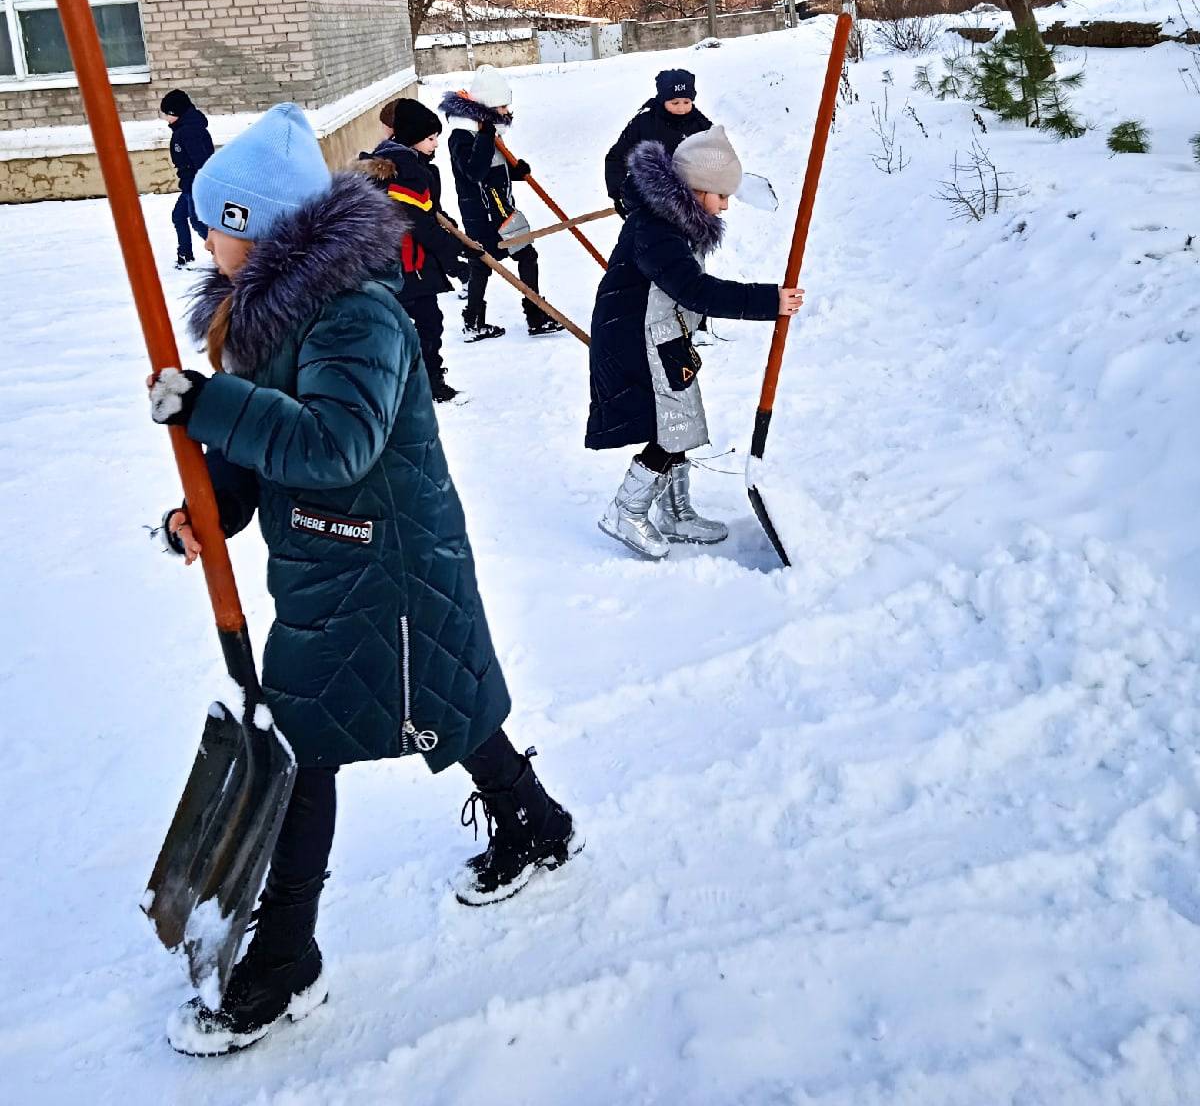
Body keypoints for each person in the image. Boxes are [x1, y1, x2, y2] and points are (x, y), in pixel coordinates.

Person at [146, 104, 580, 1057]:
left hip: (381, 559)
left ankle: (285, 959)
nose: (203, 236)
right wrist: (208, 510)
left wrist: (210, 404)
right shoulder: (268, 313)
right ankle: (537, 823)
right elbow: (266, 446)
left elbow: (335, 442)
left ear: (257, 227)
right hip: (334, 559)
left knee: (309, 741)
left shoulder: (358, 311)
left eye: (214, 220)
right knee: (443, 698)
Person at [586, 125, 803, 558]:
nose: (726, 205)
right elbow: (695, 290)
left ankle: (675, 512)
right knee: (673, 427)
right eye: (721, 195)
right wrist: (768, 301)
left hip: (663, 335)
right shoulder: (657, 229)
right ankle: (625, 510)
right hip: (636, 338)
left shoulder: (672, 220)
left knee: (681, 421)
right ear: (697, 188)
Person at [358, 96, 469, 403]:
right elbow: (421, 226)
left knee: (411, 325)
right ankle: (425, 382)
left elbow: (430, 213)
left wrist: (455, 237)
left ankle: (413, 381)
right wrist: (454, 261)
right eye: (431, 138)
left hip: (394, 267)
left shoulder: (401, 165)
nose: (435, 144)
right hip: (407, 266)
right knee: (427, 324)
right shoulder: (406, 172)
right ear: (412, 138)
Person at [441, 66, 565, 342]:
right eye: (501, 105)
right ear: (486, 106)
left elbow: (493, 169)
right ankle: (479, 320)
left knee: (521, 256)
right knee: (483, 264)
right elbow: (474, 172)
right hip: (483, 215)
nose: (507, 110)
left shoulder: (485, 131)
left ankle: (532, 315)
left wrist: (515, 172)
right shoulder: (462, 135)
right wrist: (486, 137)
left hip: (501, 209)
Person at [603, 68, 712, 217]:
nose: (681, 108)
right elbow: (616, 157)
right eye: (675, 103)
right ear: (662, 100)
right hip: (651, 205)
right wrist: (619, 195)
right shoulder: (644, 123)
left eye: (687, 102)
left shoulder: (700, 124)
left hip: (692, 205)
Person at [161, 88, 214, 268]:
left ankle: (225, 252)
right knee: (178, 216)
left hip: (196, 185)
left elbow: (202, 161)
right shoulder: (183, 129)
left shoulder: (189, 131)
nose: (166, 119)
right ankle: (185, 254)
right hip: (189, 185)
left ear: (176, 113)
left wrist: (201, 186)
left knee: (199, 223)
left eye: (167, 114)